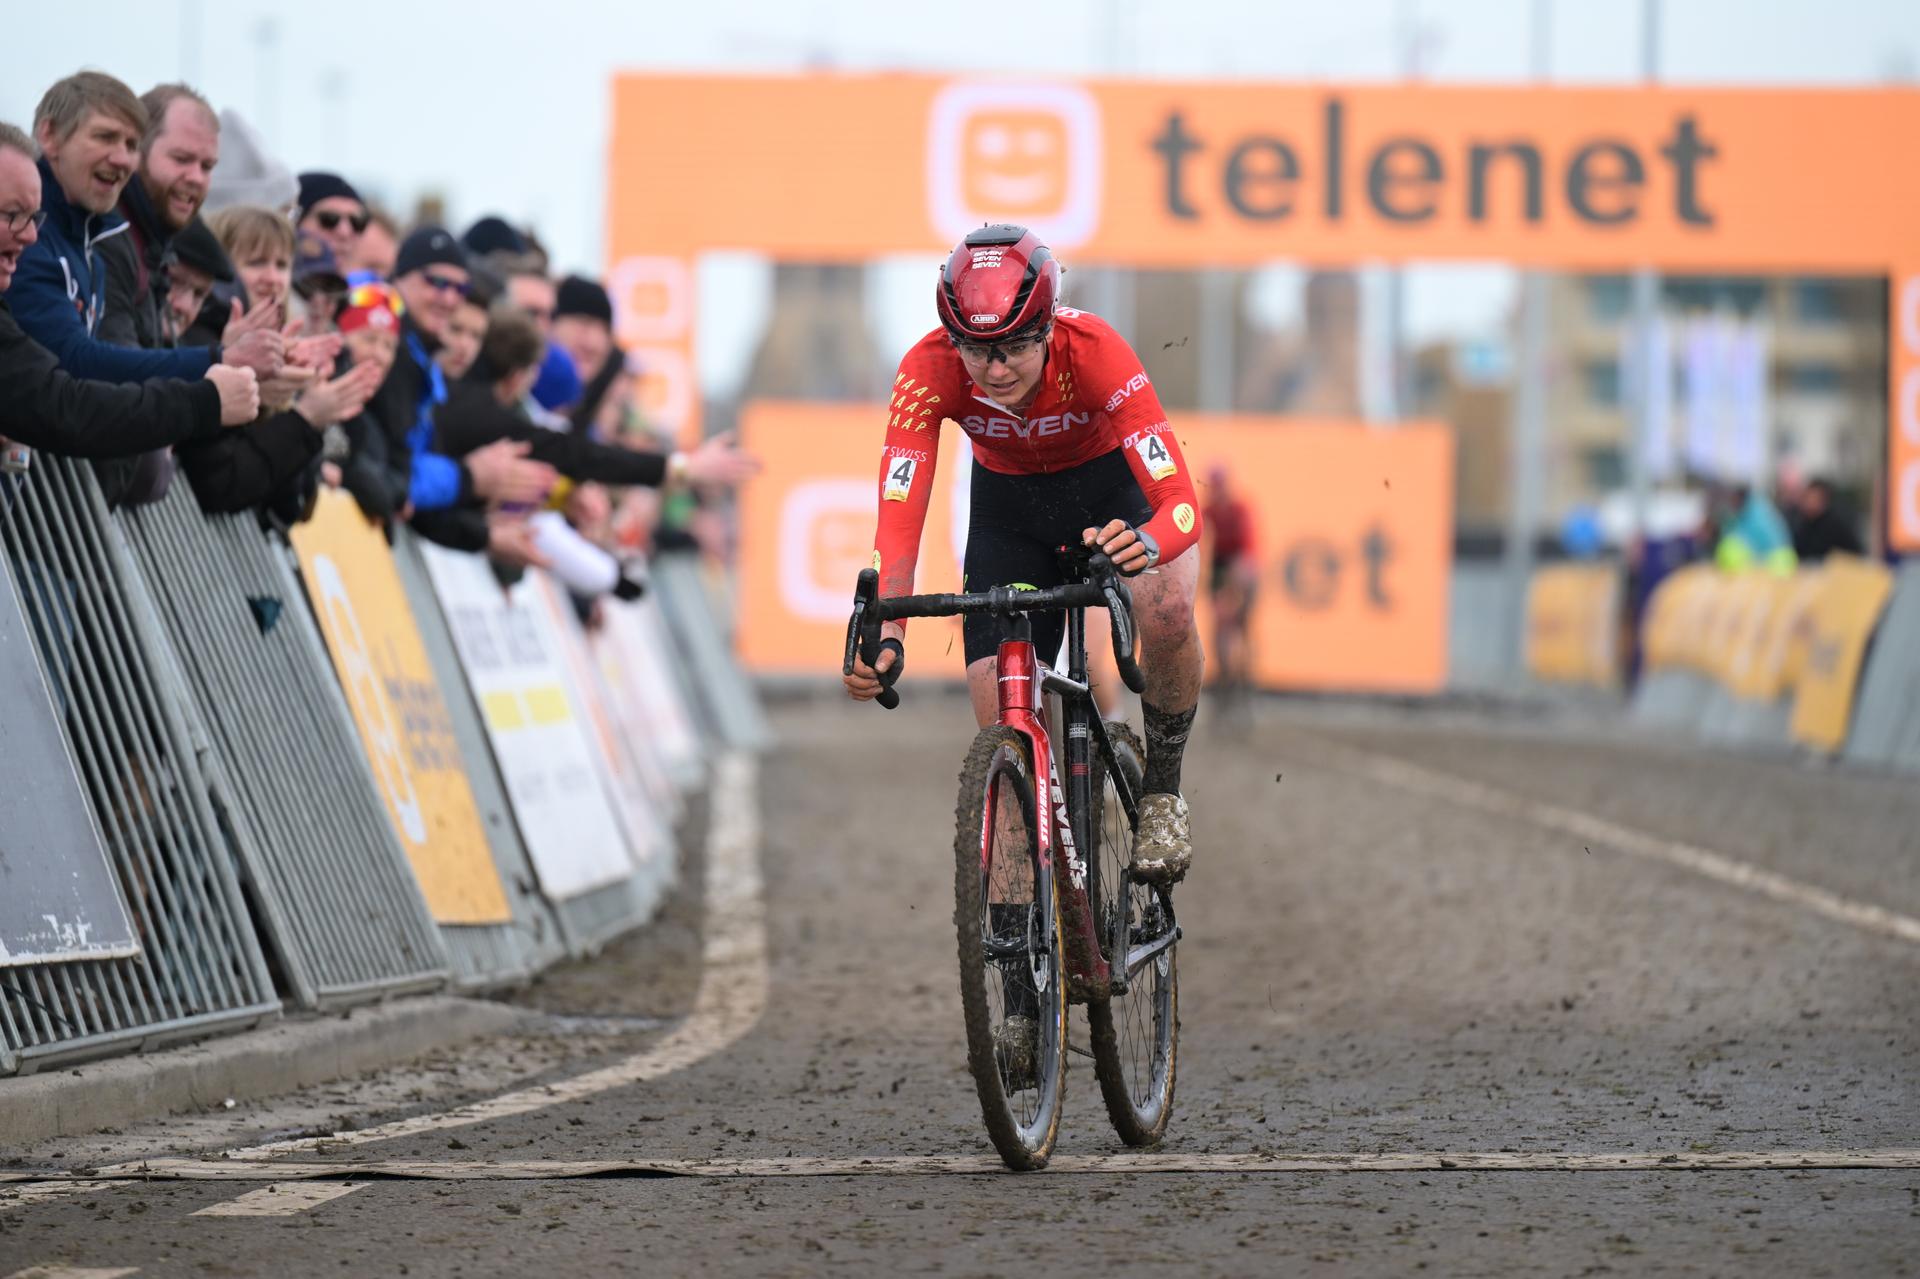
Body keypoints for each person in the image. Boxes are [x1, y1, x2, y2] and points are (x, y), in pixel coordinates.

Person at [842, 224, 1205, 887]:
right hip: (1012, 519)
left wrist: (1149, 542)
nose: (995, 368)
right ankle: (1020, 926)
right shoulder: (929, 371)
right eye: (976, 351)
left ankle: (1161, 793)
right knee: (998, 711)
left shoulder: (1095, 351)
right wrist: (886, 632)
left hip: (1111, 500)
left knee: (1168, 602)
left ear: (1046, 328)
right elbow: (898, 527)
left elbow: (1179, 503)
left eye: (1013, 347)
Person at [0, 121, 258, 459]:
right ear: (50, 135)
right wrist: (207, 391)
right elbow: (65, 403)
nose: (30, 235)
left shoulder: (98, 257)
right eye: (13, 215)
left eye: (34, 218)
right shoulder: (92, 254)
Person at [1201, 462, 1258, 713]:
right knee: (1224, 630)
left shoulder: (1239, 509)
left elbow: (1246, 554)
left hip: (1238, 569)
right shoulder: (1211, 509)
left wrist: (1234, 588)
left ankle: (1243, 685)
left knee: (1241, 629)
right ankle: (1227, 684)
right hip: (1224, 567)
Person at [1792, 477, 1865, 562]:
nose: (1810, 503)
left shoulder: (1835, 525)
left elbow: (1855, 553)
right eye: (1808, 498)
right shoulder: (1802, 524)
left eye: (1814, 498)